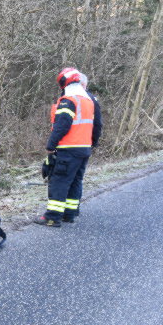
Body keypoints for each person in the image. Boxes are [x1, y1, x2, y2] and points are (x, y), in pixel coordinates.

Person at [35, 68, 102, 227]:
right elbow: (97, 124)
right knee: (75, 181)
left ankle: (52, 217)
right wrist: (92, 143)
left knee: (59, 181)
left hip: (69, 148)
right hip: (84, 148)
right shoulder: (88, 100)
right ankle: (69, 214)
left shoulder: (69, 100)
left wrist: (51, 145)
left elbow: (62, 125)